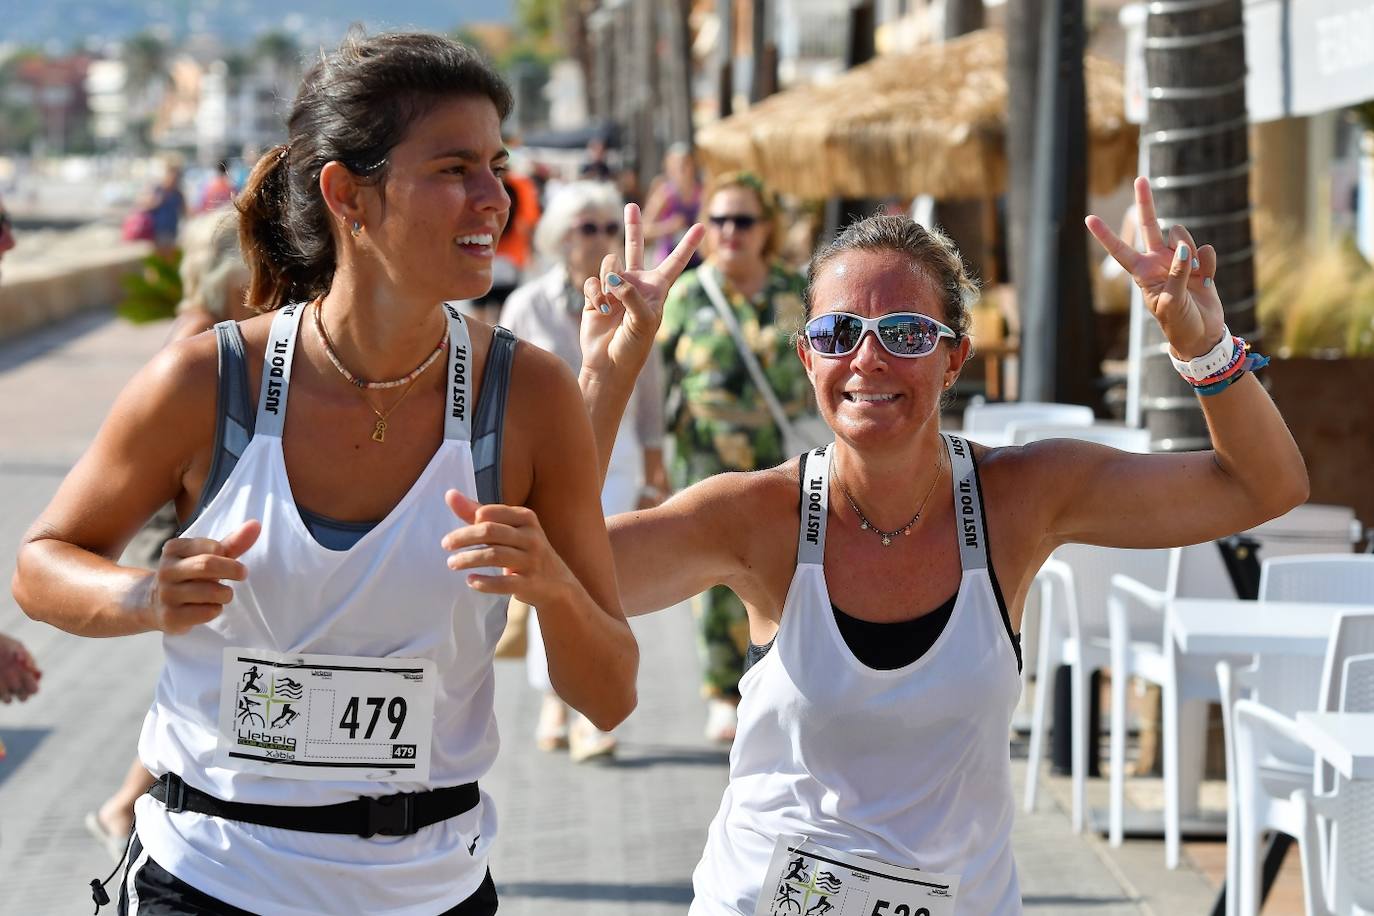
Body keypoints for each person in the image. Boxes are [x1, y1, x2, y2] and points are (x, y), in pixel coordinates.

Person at [12, 32, 696, 915]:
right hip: (211, 878)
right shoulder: (208, 382)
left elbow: (607, 697)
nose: (496, 197)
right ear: (348, 195)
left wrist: (555, 590)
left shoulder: (528, 394)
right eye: (455, 168)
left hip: (429, 891)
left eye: (498, 164)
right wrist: (141, 597)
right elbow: (40, 567)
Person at [573, 177, 1308, 913]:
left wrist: (1201, 343)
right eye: (838, 334)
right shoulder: (759, 516)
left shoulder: (1020, 498)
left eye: (906, 333)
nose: (868, 359)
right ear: (807, 358)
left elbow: (1262, 487)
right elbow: (566, 565)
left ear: (953, 360)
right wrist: (611, 371)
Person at [499, 180, 670, 763]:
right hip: (541, 466)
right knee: (550, 577)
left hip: (616, 455)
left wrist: (654, 462)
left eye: (606, 228)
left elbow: (648, 387)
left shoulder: (630, 303)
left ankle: (589, 711)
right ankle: (554, 697)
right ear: (559, 238)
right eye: (586, 229)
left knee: (601, 578)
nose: (600, 240)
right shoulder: (528, 304)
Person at [657, 171, 812, 742]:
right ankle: (723, 690)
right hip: (704, 460)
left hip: (782, 461)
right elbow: (656, 379)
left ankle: (781, 680)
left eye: (742, 220)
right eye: (717, 220)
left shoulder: (793, 293)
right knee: (714, 578)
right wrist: (652, 456)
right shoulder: (689, 295)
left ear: (766, 227)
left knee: (786, 571)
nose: (728, 232)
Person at [642, 142, 702, 268]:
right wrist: (668, 227)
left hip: (697, 260)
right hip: (668, 261)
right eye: (677, 166)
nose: (683, 170)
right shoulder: (665, 195)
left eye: (686, 164)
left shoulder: (701, 193)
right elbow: (644, 230)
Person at [146, 162, 187, 254]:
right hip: (158, 231)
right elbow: (147, 206)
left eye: (176, 177)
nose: (173, 179)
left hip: (172, 231)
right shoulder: (158, 190)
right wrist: (158, 201)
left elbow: (184, 212)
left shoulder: (178, 194)